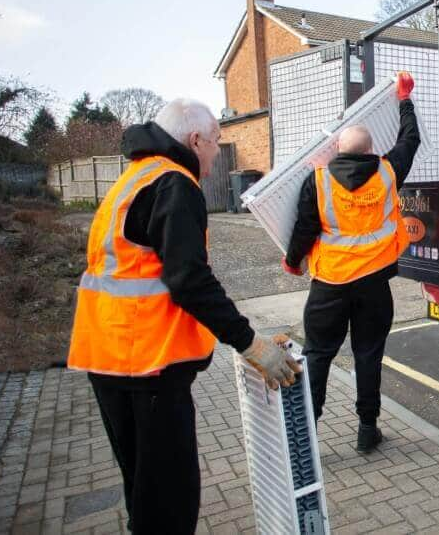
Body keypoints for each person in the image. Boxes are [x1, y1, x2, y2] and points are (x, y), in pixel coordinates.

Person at [67, 98, 300, 534]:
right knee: (170, 503)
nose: (216, 152)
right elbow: (189, 280)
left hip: (109, 356)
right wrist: (252, 345)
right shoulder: (174, 184)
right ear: (195, 140)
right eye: (215, 142)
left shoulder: (135, 177)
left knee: (144, 493)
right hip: (148, 365)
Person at [283, 71, 420, 453]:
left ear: (337, 151)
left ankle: (305, 437)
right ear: (369, 150)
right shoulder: (388, 171)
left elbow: (305, 228)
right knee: (368, 354)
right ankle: (366, 428)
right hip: (374, 285)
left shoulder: (319, 179)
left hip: (329, 285)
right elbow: (410, 140)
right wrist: (404, 99)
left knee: (318, 355)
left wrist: (293, 261)